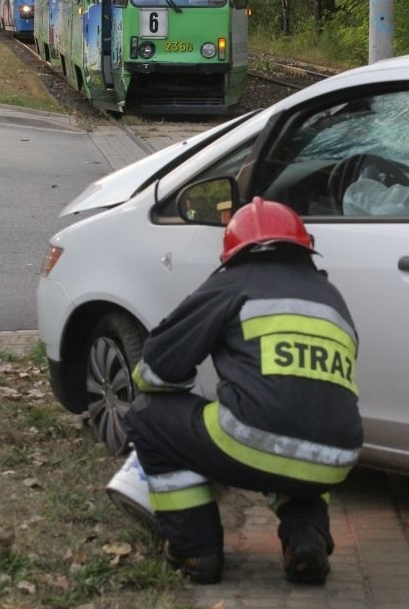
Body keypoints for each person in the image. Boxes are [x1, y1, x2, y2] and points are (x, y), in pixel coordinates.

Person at [122, 197, 363, 585]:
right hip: (338, 456)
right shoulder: (331, 296)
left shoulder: (232, 284)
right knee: (292, 441)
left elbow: (154, 369)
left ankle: (195, 551)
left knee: (148, 416)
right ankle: (306, 538)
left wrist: (180, 394)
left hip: (256, 440)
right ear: (303, 247)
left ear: (234, 252)